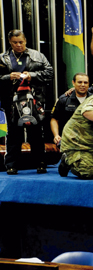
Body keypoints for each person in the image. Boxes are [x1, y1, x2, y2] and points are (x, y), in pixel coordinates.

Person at [0, 29, 54, 174]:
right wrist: (8, 77)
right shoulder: (2, 58)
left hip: (34, 100)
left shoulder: (37, 55)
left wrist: (31, 75)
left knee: (36, 133)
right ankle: (11, 165)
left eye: (21, 42)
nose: (18, 45)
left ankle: (40, 163)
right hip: (11, 102)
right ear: (10, 42)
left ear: (25, 41)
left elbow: (50, 73)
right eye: (15, 43)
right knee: (13, 134)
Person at [51, 73, 91, 146]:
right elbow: (54, 119)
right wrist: (56, 135)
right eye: (79, 82)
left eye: (85, 82)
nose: (83, 85)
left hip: (89, 140)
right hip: (69, 139)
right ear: (73, 83)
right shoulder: (64, 100)